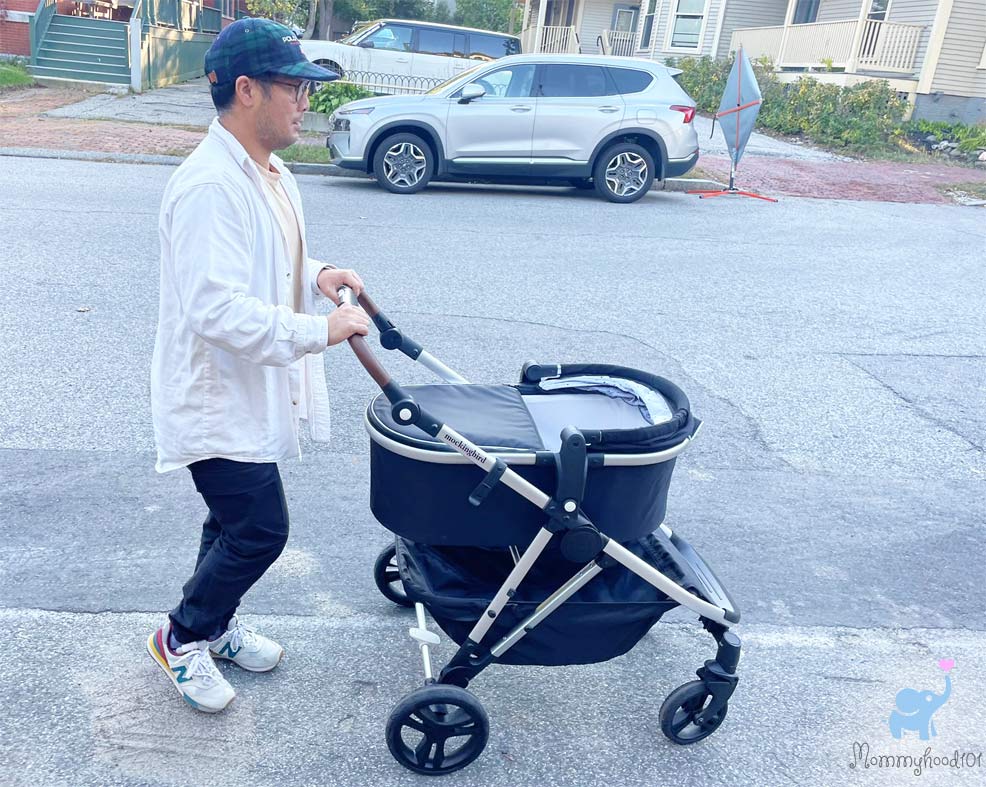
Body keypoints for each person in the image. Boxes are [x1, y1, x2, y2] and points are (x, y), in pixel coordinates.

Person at [147, 18, 370, 713]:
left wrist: (320, 273)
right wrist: (320, 330)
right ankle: (182, 637)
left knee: (230, 525)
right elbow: (216, 310)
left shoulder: (268, 173)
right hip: (214, 399)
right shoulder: (210, 186)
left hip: (247, 395)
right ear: (247, 90)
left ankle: (212, 623)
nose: (307, 100)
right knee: (260, 530)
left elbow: (272, 264)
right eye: (295, 86)